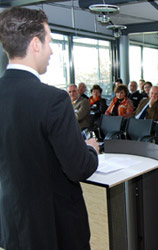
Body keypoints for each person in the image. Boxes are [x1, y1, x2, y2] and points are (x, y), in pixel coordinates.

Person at [0, 7, 99, 250]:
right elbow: (78, 169)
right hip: (55, 228)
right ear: (35, 44)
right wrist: (91, 150)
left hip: (13, 222)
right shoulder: (53, 99)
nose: (52, 50)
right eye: (49, 41)